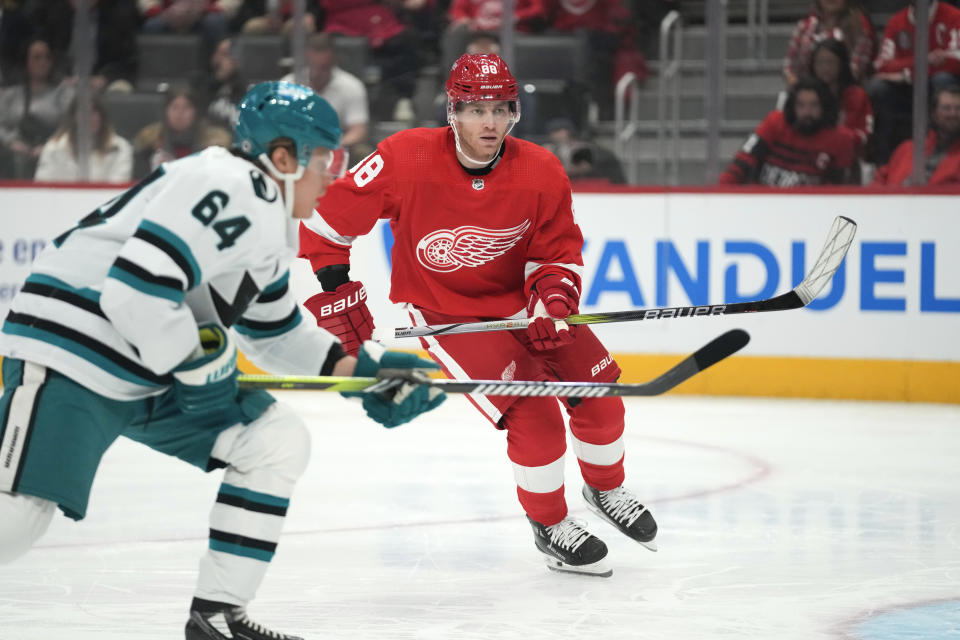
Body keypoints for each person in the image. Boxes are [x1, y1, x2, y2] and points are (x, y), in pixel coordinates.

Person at [0, 80, 445, 640]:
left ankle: (217, 618)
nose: (336, 172)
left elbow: (279, 333)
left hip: (146, 370)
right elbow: (135, 290)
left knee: (273, 440)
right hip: (75, 353)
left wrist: (365, 376)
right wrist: (197, 366)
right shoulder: (231, 184)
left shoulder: (264, 218)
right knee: (16, 517)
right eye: (327, 157)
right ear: (283, 157)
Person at [298, 54, 657, 578]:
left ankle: (605, 489)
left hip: (524, 304)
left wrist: (551, 304)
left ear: (514, 113)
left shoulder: (540, 169)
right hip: (451, 316)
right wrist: (337, 284)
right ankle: (550, 524)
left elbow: (555, 255)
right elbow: (327, 223)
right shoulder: (406, 158)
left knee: (600, 398)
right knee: (535, 420)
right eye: (475, 109)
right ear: (453, 112)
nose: (489, 122)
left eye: (500, 109)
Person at [867, 0, 960, 164]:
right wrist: (924, 62)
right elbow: (882, 65)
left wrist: (906, 71)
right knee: (878, 88)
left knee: (942, 80)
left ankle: (943, 154)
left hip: (940, 87)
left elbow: (954, 61)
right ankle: (884, 161)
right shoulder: (897, 21)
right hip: (907, 88)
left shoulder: (953, 16)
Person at [719, 77, 857, 186]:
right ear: (792, 106)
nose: (806, 112)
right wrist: (722, 195)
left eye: (813, 105)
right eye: (801, 105)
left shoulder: (840, 139)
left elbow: (839, 189)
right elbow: (743, 161)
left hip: (812, 209)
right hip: (762, 201)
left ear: (824, 107)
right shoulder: (775, 122)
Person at [281, 33, 371, 160]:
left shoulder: (352, 86)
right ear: (307, 61)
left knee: (362, 151)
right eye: (314, 67)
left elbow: (358, 130)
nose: (318, 73)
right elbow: (279, 125)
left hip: (338, 146)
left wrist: (335, 147)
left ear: (333, 62)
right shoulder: (288, 85)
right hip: (297, 145)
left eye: (323, 68)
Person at [0, 38, 74, 178]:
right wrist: (11, 142)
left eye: (47, 57)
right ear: (26, 62)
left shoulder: (63, 93)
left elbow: (69, 125)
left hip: (54, 152)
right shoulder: (10, 95)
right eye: (37, 57)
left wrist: (49, 146)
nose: (43, 62)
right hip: (14, 155)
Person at [132, 84, 231, 178]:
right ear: (166, 111)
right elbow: (138, 183)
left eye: (186, 107)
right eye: (174, 107)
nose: (180, 113)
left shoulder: (215, 146)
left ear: (196, 112)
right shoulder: (149, 144)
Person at [872, 83, 960, 185]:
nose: (953, 114)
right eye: (946, 108)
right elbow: (880, 180)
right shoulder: (906, 149)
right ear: (934, 113)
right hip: (895, 199)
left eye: (958, 109)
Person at [34, 96, 134, 182]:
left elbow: (118, 190)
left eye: (93, 112)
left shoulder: (120, 148)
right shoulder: (54, 148)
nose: (88, 118)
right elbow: (43, 187)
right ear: (73, 117)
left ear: (101, 117)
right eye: (83, 112)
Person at [782, 0, 876, 88]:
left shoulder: (859, 28)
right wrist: (798, 86)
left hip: (844, 93)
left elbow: (856, 70)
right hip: (806, 93)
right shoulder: (804, 27)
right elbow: (789, 67)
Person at [808, 38, 873, 154]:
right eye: (819, 62)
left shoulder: (857, 95)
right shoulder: (806, 94)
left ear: (841, 64)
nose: (824, 68)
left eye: (830, 62)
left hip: (847, 155)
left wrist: (835, 138)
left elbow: (864, 135)